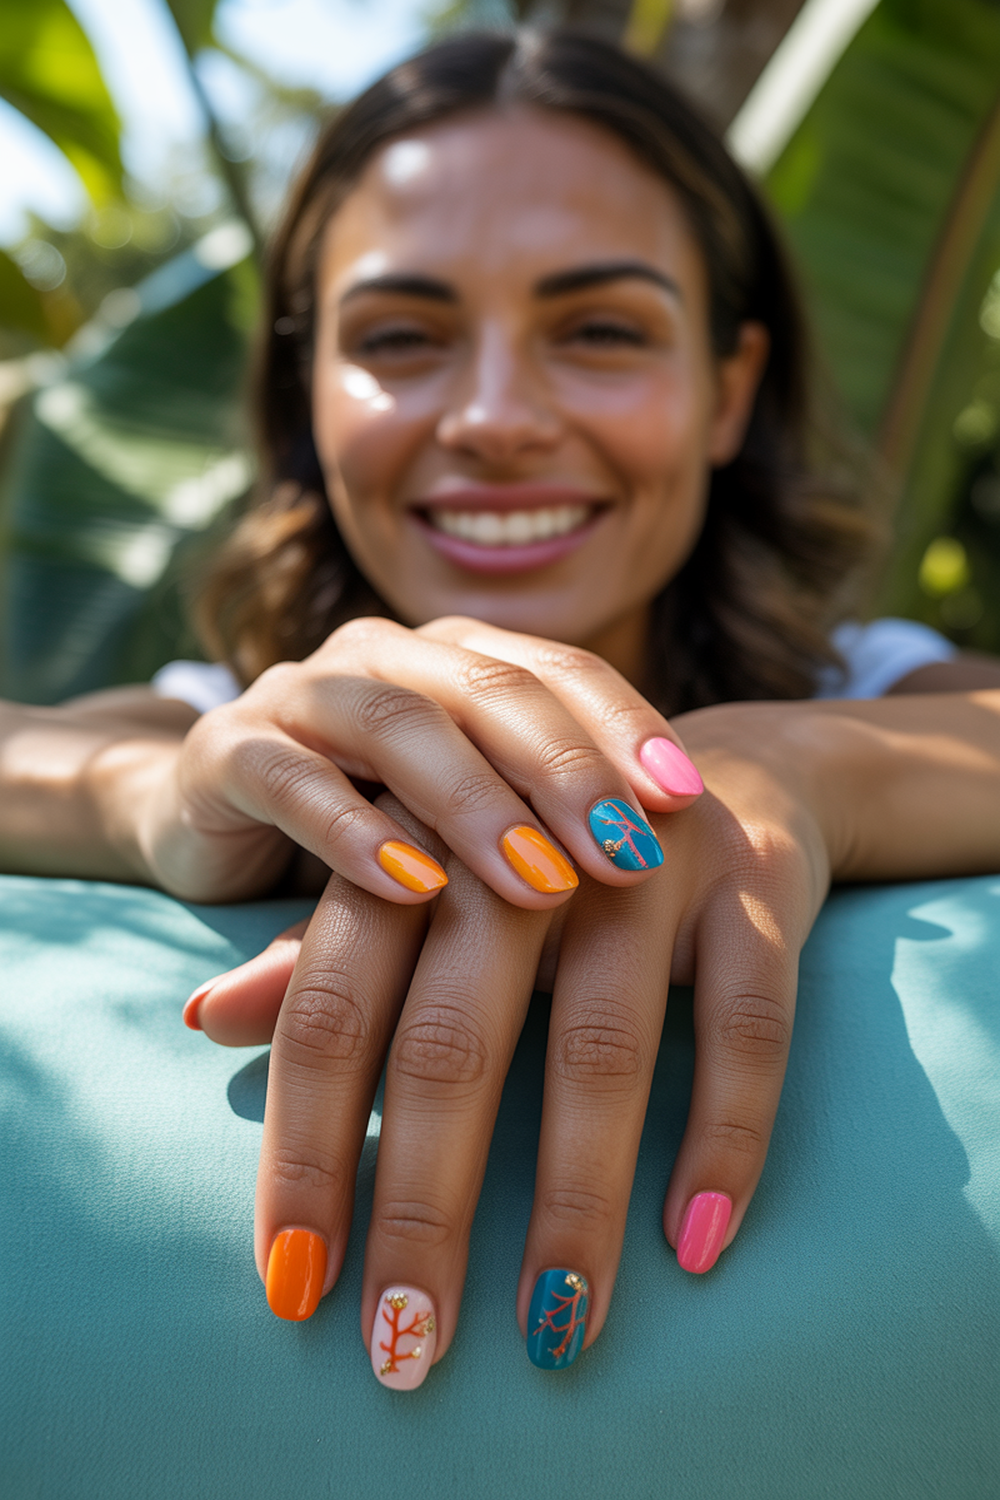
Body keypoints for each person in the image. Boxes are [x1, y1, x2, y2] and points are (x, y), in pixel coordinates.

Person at [3, 29, 1000, 1391]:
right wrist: (160, 788)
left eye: (598, 329)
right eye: (402, 337)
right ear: (307, 391)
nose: (492, 415)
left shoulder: (866, 682)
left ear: (729, 389)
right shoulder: (240, 719)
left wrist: (798, 762)